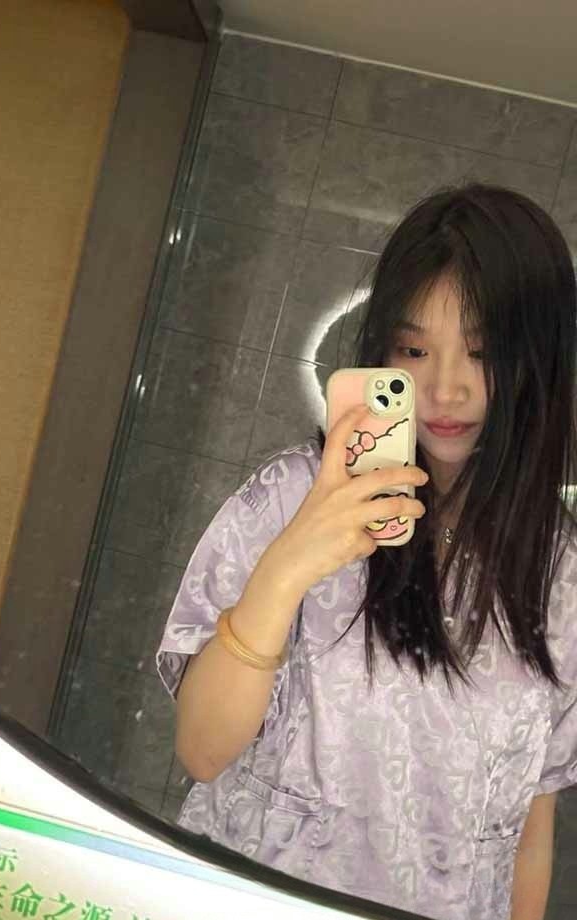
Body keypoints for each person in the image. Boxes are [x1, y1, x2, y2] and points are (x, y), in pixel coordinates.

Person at [155, 183, 577, 920]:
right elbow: (201, 750)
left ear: (538, 361)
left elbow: (526, 827)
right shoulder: (291, 497)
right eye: (414, 350)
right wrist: (290, 564)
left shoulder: (561, 569)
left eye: (482, 352)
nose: (444, 388)